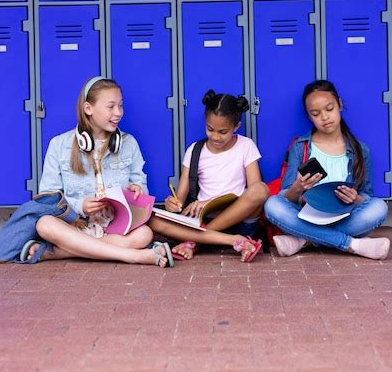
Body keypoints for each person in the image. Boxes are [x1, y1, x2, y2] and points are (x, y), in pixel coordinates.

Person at [24, 76, 172, 267]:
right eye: (111, 107)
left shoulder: (129, 144)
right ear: (88, 108)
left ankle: (58, 253)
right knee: (44, 224)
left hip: (114, 228)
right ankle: (132, 256)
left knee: (145, 234)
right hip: (74, 226)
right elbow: (48, 198)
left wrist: (137, 190)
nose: (118, 112)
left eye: (120, 105)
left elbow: (141, 187)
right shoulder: (59, 145)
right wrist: (80, 205)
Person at [264, 80, 389, 260]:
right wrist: (298, 187)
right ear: (309, 117)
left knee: (379, 208)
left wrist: (355, 198)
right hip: (306, 216)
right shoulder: (300, 147)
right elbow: (286, 197)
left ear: (340, 104)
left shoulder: (361, 150)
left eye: (329, 109)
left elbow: (366, 197)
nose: (324, 117)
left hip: (345, 216)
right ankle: (353, 244)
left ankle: (304, 240)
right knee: (272, 205)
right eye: (316, 113)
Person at [150, 90, 269, 261]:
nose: (215, 137)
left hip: (238, 220)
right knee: (152, 219)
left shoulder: (245, 146)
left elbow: (255, 189)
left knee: (261, 190)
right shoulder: (194, 150)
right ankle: (217, 240)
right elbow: (180, 198)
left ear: (236, 127)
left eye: (223, 132)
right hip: (202, 220)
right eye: (210, 129)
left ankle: (194, 241)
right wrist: (172, 203)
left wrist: (210, 202)